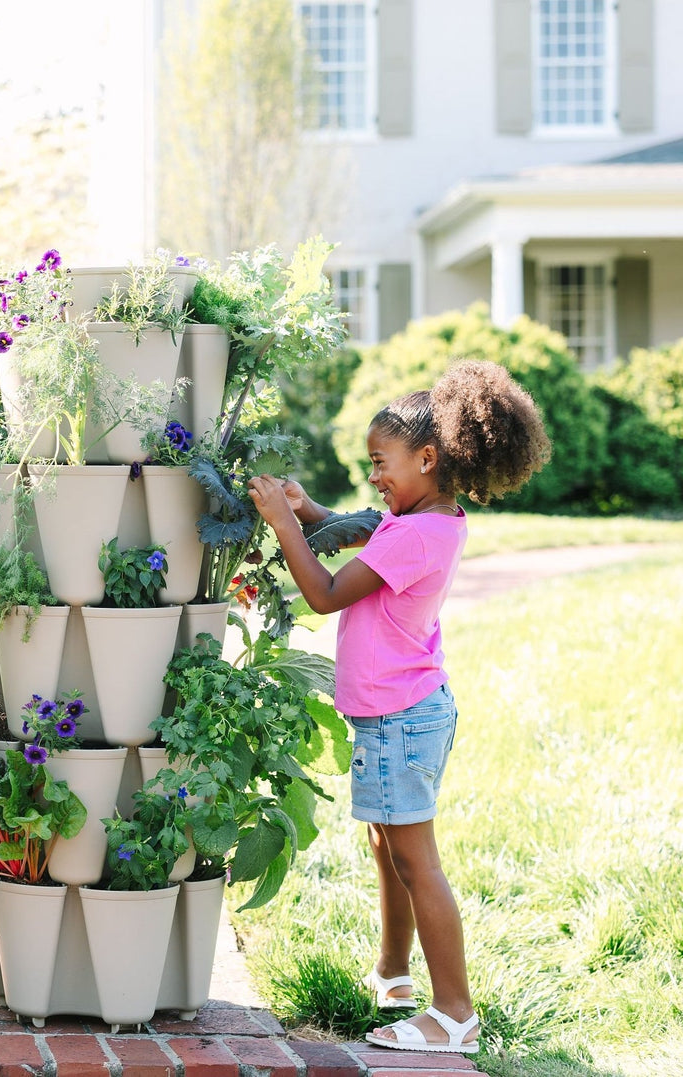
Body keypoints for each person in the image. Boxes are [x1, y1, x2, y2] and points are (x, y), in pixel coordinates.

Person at [248, 359, 550, 1055]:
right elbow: (364, 535)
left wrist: (279, 524)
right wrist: (311, 513)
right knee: (390, 850)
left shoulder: (416, 533)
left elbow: (325, 593)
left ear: (428, 456)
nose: (375, 477)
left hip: (402, 719)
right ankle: (393, 973)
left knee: (416, 860)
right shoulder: (424, 519)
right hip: (401, 714)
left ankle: (454, 1015)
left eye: (381, 463)